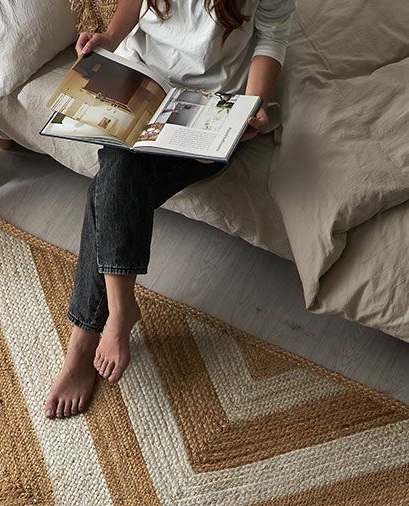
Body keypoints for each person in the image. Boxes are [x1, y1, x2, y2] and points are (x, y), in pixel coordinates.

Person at [44, 0, 295, 419]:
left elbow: (271, 36)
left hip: (212, 103)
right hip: (140, 77)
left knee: (111, 185)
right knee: (120, 168)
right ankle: (118, 312)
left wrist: (252, 105)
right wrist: (111, 37)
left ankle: (85, 338)